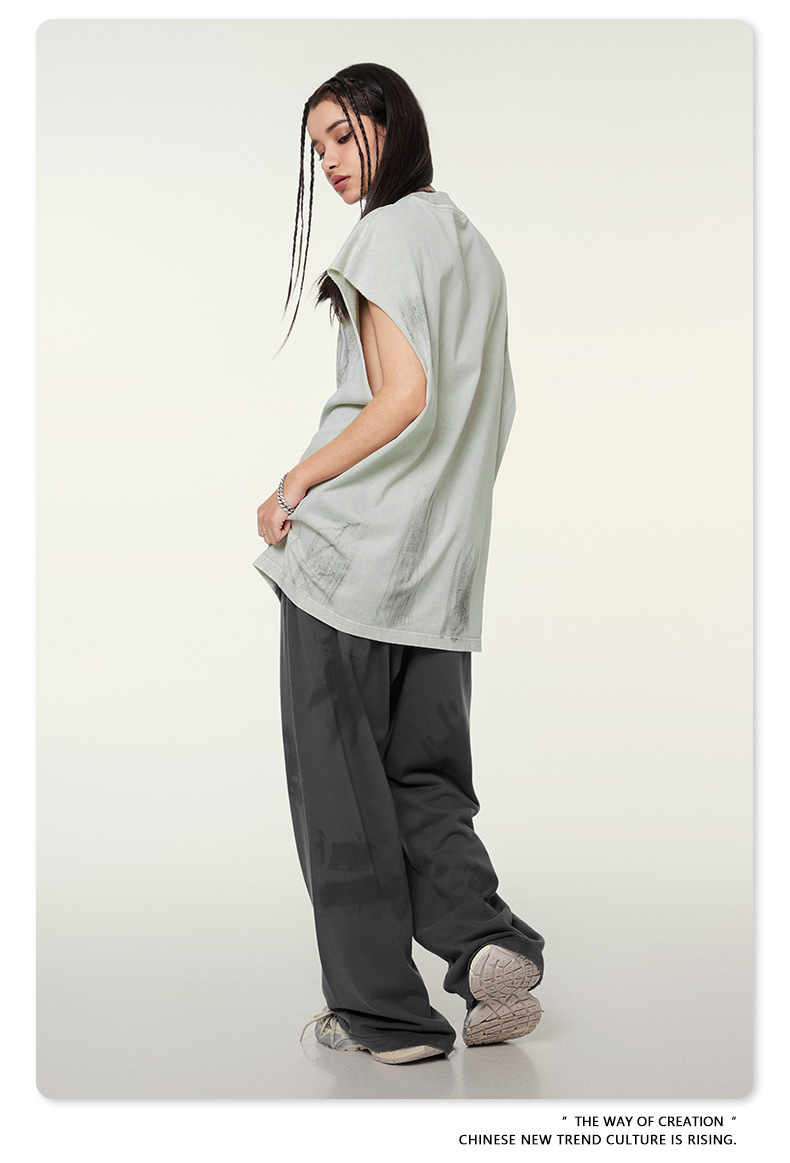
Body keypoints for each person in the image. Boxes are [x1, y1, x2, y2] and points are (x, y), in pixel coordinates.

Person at [253, 63, 545, 1066]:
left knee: (340, 789)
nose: (331, 163)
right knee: (425, 779)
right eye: (318, 149)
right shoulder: (474, 249)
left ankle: (385, 1016)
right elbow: (486, 412)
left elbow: (402, 395)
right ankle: (485, 940)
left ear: (390, 121)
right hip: (441, 573)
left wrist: (294, 483)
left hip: (351, 563)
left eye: (343, 135)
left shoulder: (381, 237)